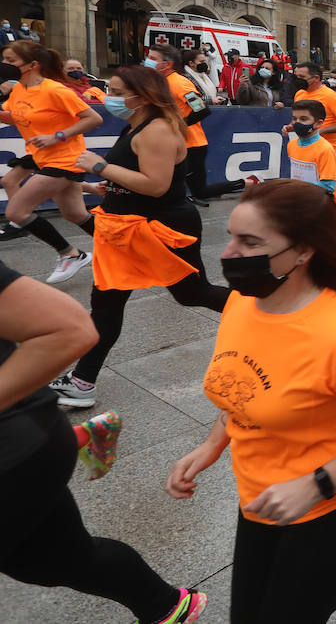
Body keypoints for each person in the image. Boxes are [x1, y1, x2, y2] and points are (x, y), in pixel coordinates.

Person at [166, 179, 336, 623]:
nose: (228, 254)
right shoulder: (244, 303)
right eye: (231, 237)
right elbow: (240, 385)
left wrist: (315, 484)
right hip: (261, 493)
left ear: (303, 251)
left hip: (331, 503)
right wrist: (212, 444)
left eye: (249, 242)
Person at [2, 261, 208, 623]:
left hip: (18, 445)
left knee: (55, 559)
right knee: (53, 562)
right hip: (30, 437)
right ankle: (169, 606)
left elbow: (70, 329)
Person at [49, 66, 231, 409]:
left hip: (161, 228)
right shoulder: (138, 124)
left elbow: (156, 185)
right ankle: (82, 382)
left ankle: (270, 310)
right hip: (126, 228)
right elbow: (138, 176)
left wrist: (98, 166)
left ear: (143, 96)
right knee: (106, 304)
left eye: (117, 91)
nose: (110, 97)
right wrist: (107, 184)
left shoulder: (158, 129)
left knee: (192, 293)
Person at [0, 41, 99, 283]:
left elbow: (93, 118)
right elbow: (16, 118)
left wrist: (57, 135)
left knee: (16, 211)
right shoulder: (19, 90)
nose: (5, 65)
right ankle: (128, 247)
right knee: (76, 214)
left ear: (32, 64)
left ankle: (70, 254)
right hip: (44, 159)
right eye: (4, 59)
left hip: (66, 159)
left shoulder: (55, 90)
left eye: (11, 60)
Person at [152, 46, 254, 204]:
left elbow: (202, 110)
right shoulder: (161, 82)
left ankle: (248, 183)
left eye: (153, 59)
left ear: (167, 64)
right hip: (173, 144)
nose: (147, 62)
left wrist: (177, 127)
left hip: (192, 144)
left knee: (200, 191)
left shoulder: (179, 83)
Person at [286, 99, 336, 225]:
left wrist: (296, 186)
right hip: (305, 209)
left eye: (303, 119)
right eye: (294, 119)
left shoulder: (325, 150)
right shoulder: (291, 145)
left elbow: (329, 186)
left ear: (318, 123)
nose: (297, 123)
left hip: (327, 214)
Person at [287, 62, 336, 152]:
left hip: (326, 149)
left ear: (316, 78)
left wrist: (319, 131)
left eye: (302, 77)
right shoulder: (299, 94)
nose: (297, 80)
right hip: (304, 146)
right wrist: (291, 125)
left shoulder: (331, 96)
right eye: (296, 77)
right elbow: (298, 118)